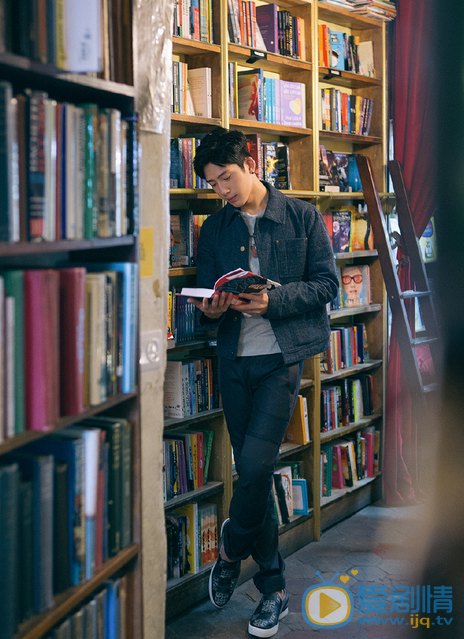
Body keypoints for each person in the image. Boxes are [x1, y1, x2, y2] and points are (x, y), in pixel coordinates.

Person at [189, 127, 338, 638]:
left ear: (249, 162)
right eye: (213, 185)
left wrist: (274, 302)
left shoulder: (300, 215)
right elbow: (205, 289)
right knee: (252, 473)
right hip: (234, 360)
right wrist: (210, 310)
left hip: (280, 359)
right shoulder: (215, 227)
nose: (222, 191)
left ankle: (230, 547)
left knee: (254, 464)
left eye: (226, 178)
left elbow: (326, 284)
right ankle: (273, 591)